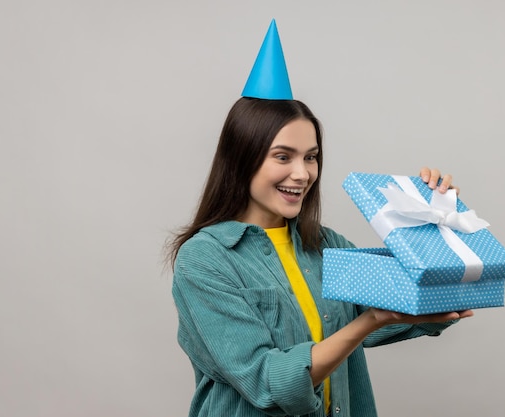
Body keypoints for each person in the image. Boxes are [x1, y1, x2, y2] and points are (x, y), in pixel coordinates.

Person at [168, 20, 473, 417]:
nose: (303, 173)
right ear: (242, 159)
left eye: (310, 156)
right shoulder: (205, 261)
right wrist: (369, 323)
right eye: (283, 156)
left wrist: (434, 219)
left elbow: (408, 299)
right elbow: (266, 381)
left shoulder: (326, 246)